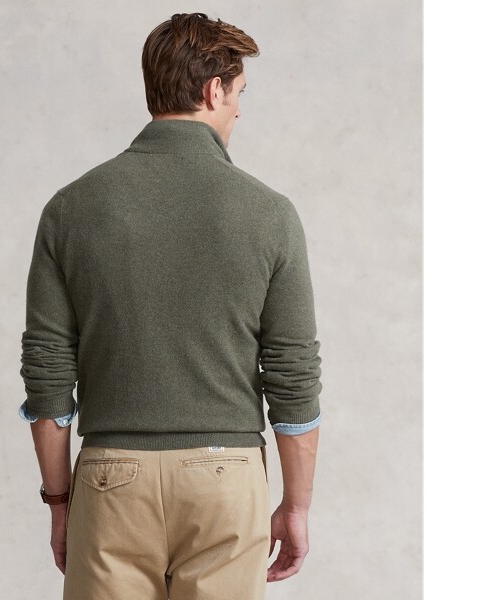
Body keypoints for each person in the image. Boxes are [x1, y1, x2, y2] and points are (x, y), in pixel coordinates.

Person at [19, 12, 322, 600]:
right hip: (226, 481)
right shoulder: (270, 214)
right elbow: (293, 377)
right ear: (213, 91)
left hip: (110, 481)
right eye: (239, 93)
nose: (239, 110)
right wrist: (296, 504)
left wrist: (60, 503)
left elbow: (48, 372)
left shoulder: (70, 208)